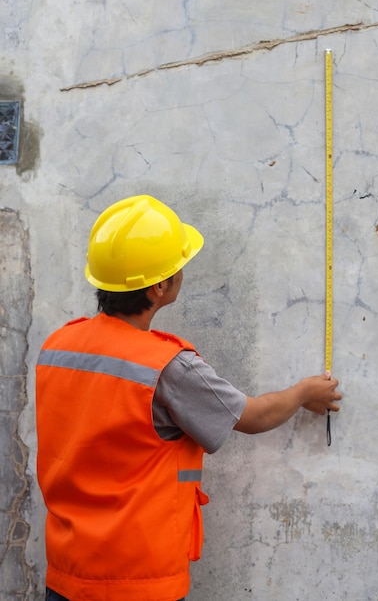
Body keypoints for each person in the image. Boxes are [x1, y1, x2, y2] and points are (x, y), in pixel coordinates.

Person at [36, 194, 341, 601]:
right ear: (160, 286)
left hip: (67, 575)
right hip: (137, 582)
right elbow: (253, 417)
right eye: (178, 266)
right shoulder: (167, 367)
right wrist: (304, 392)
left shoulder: (58, 346)